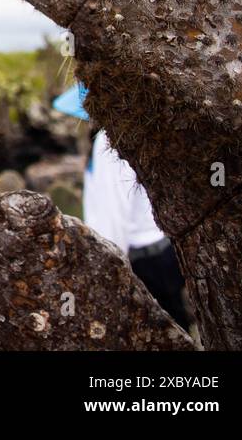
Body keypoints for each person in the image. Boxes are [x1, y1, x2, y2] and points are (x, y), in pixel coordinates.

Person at [82, 126, 192, 330]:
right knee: (175, 324)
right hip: (161, 248)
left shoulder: (108, 140)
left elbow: (113, 210)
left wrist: (110, 268)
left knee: (163, 328)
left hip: (144, 257)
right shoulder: (130, 130)